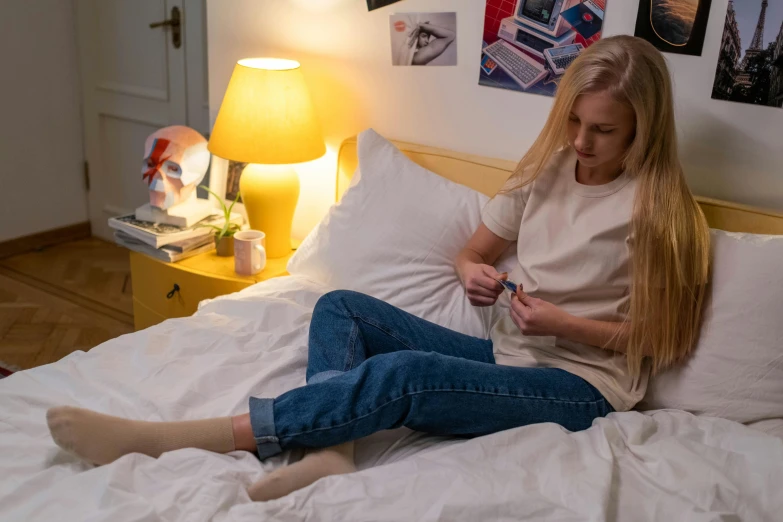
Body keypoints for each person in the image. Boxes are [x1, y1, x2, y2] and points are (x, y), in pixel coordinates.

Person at [46, 36, 710, 503]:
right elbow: (472, 252)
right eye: (574, 120)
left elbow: (658, 340)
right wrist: (471, 271)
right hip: (510, 351)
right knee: (339, 306)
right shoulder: (544, 171)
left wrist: (563, 321)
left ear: (641, 133)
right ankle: (332, 448)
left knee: (400, 375)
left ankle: (183, 437)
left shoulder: (659, 213)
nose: (580, 142)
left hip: (580, 385)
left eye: (602, 131)